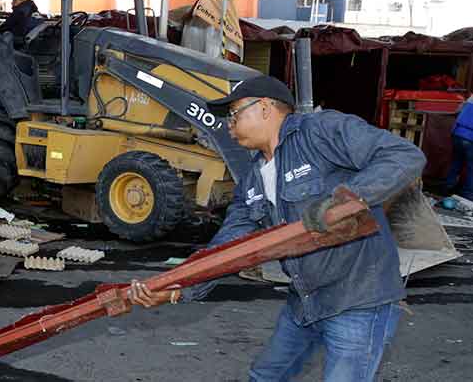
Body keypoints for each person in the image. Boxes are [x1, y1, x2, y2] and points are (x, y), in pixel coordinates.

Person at [128, 75, 423, 382]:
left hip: (358, 300)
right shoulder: (253, 178)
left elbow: (404, 156)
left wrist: (345, 201)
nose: (229, 124)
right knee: (265, 376)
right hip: (306, 302)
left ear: (266, 108)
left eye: (235, 113)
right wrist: (179, 287)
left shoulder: (320, 132)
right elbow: (230, 246)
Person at [445, 94, 473, 200]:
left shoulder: (471, 97)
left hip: (457, 133)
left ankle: (448, 187)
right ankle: (468, 195)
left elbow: (458, 110)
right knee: (472, 167)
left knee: (456, 162)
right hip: (471, 137)